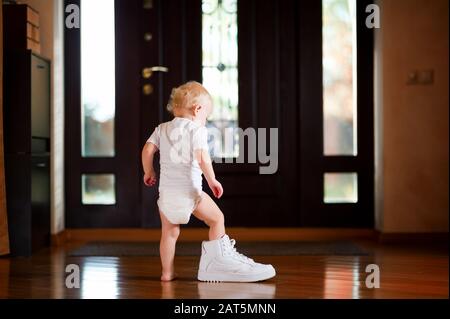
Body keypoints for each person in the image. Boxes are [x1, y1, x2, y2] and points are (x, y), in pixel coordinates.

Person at [141, 81, 276, 282]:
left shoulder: (162, 128)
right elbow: (202, 157)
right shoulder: (197, 130)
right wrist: (212, 180)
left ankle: (167, 273)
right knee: (216, 219)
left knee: (169, 235)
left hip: (167, 195)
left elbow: (148, 149)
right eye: (206, 116)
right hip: (191, 193)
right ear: (197, 109)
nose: (205, 120)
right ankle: (220, 261)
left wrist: (149, 171)